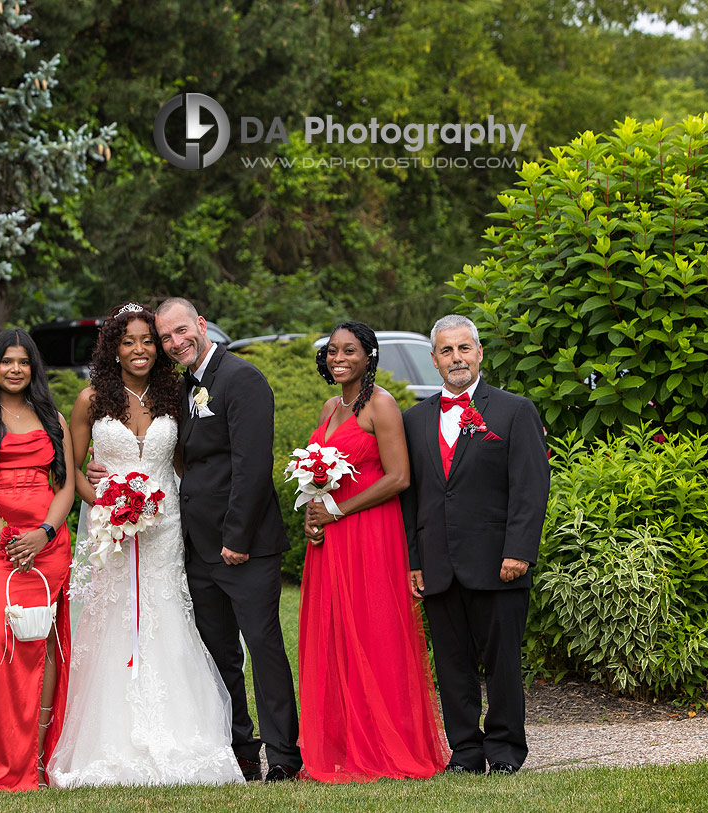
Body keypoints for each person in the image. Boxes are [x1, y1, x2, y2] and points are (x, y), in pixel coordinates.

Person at [48, 302, 244, 787]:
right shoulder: (91, 400)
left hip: (165, 526)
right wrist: (106, 505)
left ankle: (180, 730)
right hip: (109, 529)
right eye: (128, 341)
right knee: (112, 616)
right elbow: (70, 470)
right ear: (113, 348)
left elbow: (182, 462)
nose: (140, 349)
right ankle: (110, 735)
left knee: (166, 611)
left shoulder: (174, 395)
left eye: (147, 341)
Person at [152, 297, 302, 782]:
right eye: (166, 338)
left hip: (245, 548)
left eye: (181, 331)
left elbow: (252, 466)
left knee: (263, 648)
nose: (175, 343)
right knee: (219, 656)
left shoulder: (242, 379)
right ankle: (241, 750)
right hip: (199, 550)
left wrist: (236, 538)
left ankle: (284, 755)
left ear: (200, 324)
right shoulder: (184, 387)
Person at [400, 314, 550, 776]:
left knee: (502, 665)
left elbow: (530, 486)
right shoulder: (414, 420)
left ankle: (504, 750)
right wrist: (415, 560)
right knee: (451, 665)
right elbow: (411, 497)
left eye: (464, 348)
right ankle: (465, 752)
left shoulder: (514, 411)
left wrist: (519, 550)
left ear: (480, 353)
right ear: (433, 360)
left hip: (498, 562)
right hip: (439, 565)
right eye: (446, 351)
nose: (456, 358)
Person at [298, 322, 448, 782]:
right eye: (332, 351)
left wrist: (337, 510)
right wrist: (314, 515)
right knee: (336, 636)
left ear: (369, 357)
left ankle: (387, 743)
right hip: (332, 537)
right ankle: (345, 742)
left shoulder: (380, 404)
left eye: (349, 351)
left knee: (374, 631)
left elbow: (399, 477)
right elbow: (321, 478)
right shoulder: (330, 407)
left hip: (370, 533)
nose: (338, 358)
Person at [0, 329, 75, 791]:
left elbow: (66, 486)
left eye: (23, 361)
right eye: (7, 361)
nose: (15, 369)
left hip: (47, 548)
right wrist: (7, 536)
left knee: (42, 645)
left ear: (33, 367)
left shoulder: (53, 418)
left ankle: (34, 758)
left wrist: (43, 535)